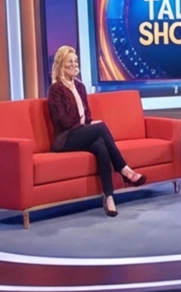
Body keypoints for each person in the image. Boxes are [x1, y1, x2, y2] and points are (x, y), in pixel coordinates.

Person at [44, 45, 143, 217]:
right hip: (65, 138)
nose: (75, 65)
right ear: (61, 65)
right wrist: (88, 127)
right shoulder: (55, 90)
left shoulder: (80, 87)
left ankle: (109, 197)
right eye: (70, 62)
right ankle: (124, 169)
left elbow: (87, 115)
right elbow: (62, 121)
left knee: (100, 146)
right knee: (101, 128)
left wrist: (88, 125)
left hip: (80, 132)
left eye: (76, 61)